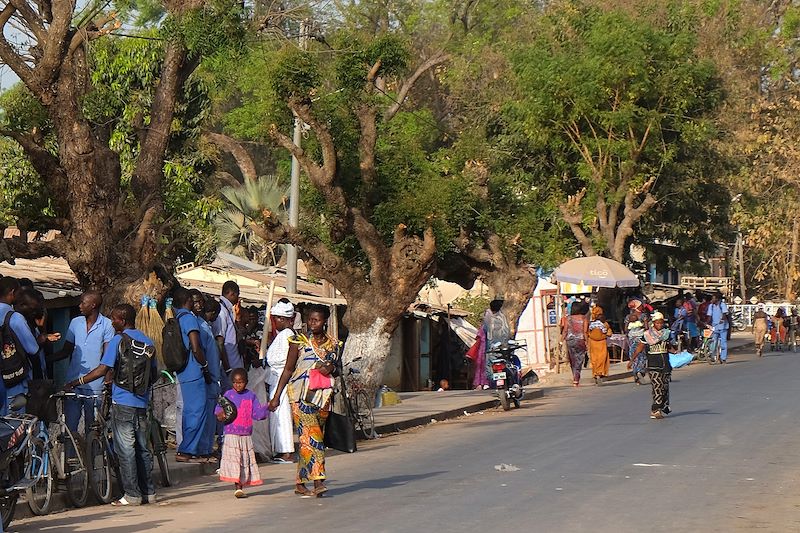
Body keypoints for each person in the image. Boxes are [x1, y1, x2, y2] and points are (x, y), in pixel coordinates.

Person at [65, 303, 157, 506]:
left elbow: (102, 369)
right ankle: (148, 492)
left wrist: (77, 382)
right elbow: (155, 374)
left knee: (126, 450)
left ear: (123, 321)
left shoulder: (118, 340)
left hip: (122, 401)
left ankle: (131, 494)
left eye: (115, 318)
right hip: (142, 402)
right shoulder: (148, 341)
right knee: (142, 448)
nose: (112, 321)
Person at [269, 304, 336, 497]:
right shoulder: (297, 341)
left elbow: (337, 369)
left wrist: (330, 368)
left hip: (322, 398)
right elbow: (288, 369)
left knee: (309, 440)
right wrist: (276, 398)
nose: (313, 323)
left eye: (317, 320)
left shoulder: (333, 344)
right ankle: (318, 482)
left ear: (325, 322)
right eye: (310, 319)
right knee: (315, 439)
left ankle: (300, 482)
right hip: (299, 397)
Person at [57, 291, 115, 433]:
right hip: (73, 383)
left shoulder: (107, 325)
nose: (80, 305)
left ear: (93, 305)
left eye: (83, 302)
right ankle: (72, 455)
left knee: (93, 428)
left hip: (96, 386)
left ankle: (93, 455)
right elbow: (66, 350)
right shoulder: (75, 322)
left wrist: (107, 382)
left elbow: (107, 358)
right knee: (70, 428)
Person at [173, 288, 213, 463]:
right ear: (188, 300)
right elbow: (195, 347)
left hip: (183, 371)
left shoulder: (178, 317)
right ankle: (186, 449)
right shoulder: (189, 318)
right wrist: (204, 365)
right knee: (197, 411)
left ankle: (191, 448)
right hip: (193, 370)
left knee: (191, 410)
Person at [216, 368, 269, 498]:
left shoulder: (251, 396)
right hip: (231, 434)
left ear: (246, 382)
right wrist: (220, 415)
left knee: (244, 461)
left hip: (245, 435)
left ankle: (240, 485)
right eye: (235, 382)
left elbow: (258, 414)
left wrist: (268, 407)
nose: (237, 385)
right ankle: (237, 486)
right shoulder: (228, 395)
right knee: (235, 460)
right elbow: (219, 409)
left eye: (240, 382)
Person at [0, 277, 44, 414]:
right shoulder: (15, 318)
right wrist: (41, 339)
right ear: (12, 293)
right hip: (14, 376)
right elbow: (33, 349)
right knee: (17, 421)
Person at [189, 289, 221, 460]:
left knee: (210, 414)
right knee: (203, 415)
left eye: (201, 301)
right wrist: (207, 369)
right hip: (204, 374)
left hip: (213, 375)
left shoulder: (202, 322)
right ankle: (201, 449)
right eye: (195, 302)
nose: (199, 305)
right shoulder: (193, 323)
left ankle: (206, 447)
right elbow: (198, 350)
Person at [265, 299, 296, 464]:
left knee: (282, 415)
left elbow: (287, 367)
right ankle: (280, 450)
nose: (275, 322)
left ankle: (286, 451)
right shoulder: (281, 336)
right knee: (276, 416)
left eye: (277, 318)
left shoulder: (288, 336)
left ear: (283, 319)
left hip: (281, 381)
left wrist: (277, 394)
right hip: (274, 379)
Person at [634, 311, 673, 419]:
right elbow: (640, 347)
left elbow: (669, 346)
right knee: (657, 386)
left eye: (661, 323)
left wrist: (675, 352)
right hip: (653, 365)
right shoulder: (647, 334)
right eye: (657, 323)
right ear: (653, 323)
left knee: (665, 387)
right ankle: (655, 409)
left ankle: (662, 406)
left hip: (665, 364)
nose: (659, 325)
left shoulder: (666, 333)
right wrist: (632, 360)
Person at [213, 281, 244, 385]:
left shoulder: (228, 309)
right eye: (237, 295)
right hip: (228, 367)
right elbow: (220, 341)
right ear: (232, 294)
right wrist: (227, 368)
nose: (238, 298)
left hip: (234, 363)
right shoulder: (221, 311)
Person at [561, 302, 588, 387]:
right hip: (580, 340)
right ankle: (576, 378)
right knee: (579, 359)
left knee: (572, 359)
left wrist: (561, 341)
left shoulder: (568, 318)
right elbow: (585, 331)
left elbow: (565, 331)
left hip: (570, 341)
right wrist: (587, 342)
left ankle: (575, 377)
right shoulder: (584, 318)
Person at [587, 305, 612, 385]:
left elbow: (588, 332)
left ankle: (595, 373)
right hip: (602, 343)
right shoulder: (605, 324)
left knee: (594, 358)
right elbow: (608, 333)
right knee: (602, 357)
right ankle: (600, 373)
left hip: (593, 343)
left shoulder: (591, 324)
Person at [625, 307, 647, 385]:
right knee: (642, 356)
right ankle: (640, 371)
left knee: (633, 357)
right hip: (640, 338)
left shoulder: (628, 319)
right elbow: (646, 328)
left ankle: (636, 375)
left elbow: (626, 330)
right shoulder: (643, 316)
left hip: (632, 339)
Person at [708, 292, 729, 364]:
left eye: (713, 298)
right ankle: (712, 356)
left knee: (723, 342)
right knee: (714, 341)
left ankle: (723, 358)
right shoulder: (711, 306)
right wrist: (707, 323)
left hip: (723, 326)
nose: (712, 300)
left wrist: (722, 320)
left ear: (717, 299)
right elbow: (709, 316)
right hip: (714, 326)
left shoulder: (722, 305)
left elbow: (724, 313)